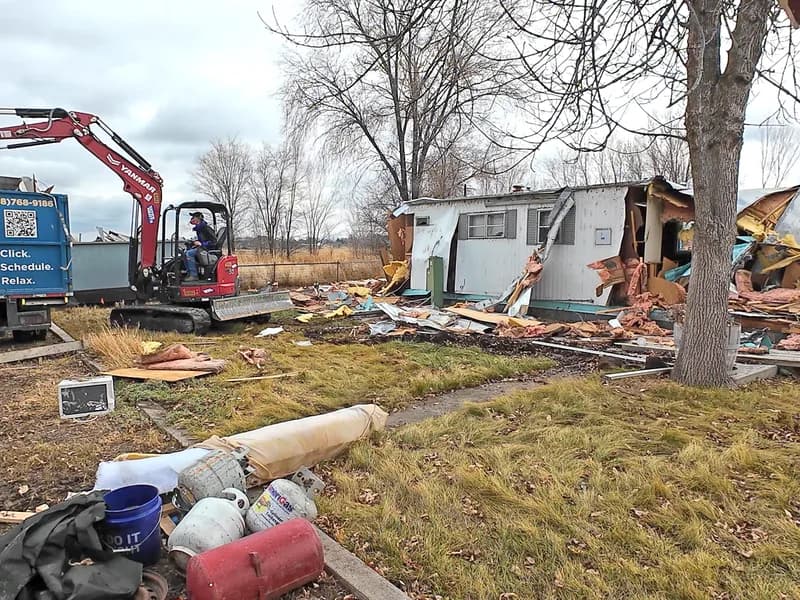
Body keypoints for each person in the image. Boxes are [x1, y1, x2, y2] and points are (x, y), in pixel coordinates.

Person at [184, 211, 218, 281]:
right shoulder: (199, 229)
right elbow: (202, 240)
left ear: (198, 218)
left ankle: (194, 275)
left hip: (207, 249)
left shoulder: (206, 228)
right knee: (185, 253)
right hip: (203, 248)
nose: (191, 219)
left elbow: (214, 241)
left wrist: (202, 244)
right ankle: (189, 273)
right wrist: (193, 242)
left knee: (189, 253)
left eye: (193, 217)